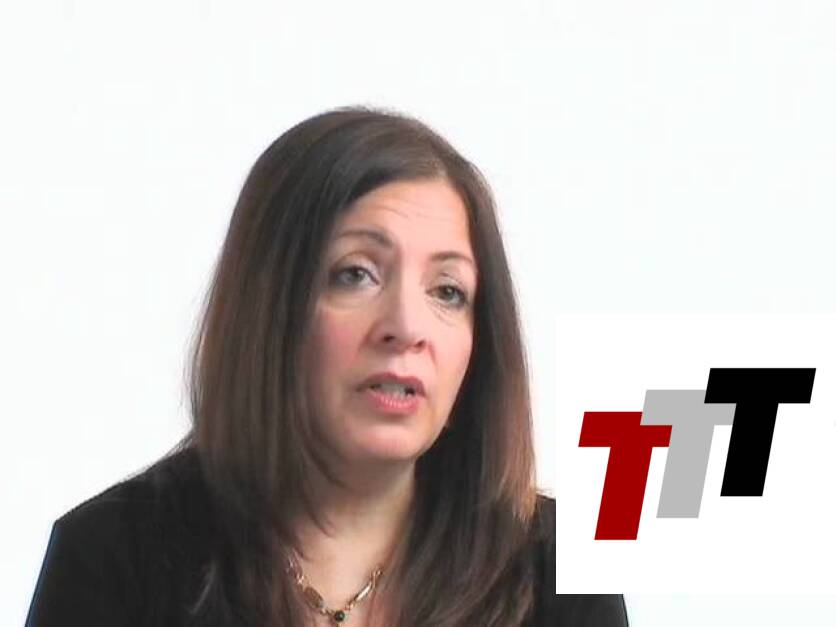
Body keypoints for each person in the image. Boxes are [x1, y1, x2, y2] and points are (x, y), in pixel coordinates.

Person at [26, 107, 629, 626]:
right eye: (355, 274)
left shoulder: (559, 574)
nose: (407, 327)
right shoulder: (111, 558)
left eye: (448, 291)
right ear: (268, 308)